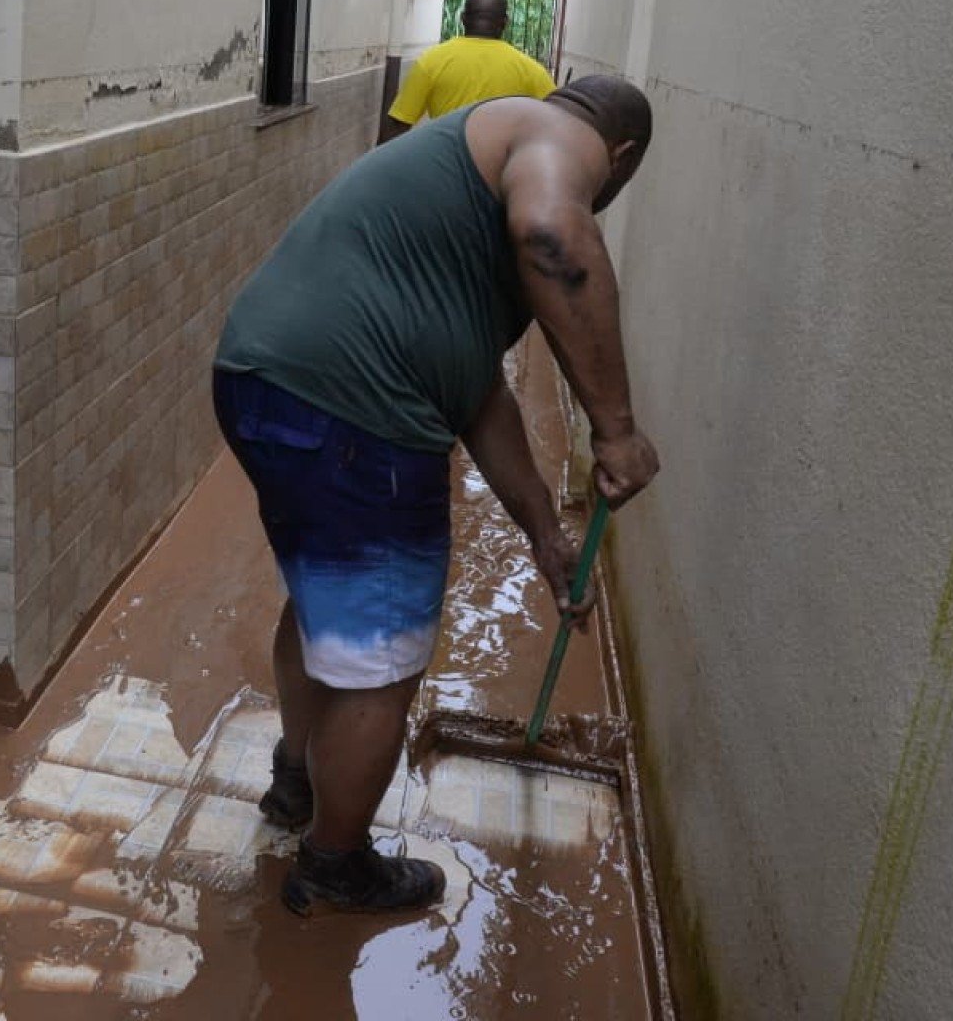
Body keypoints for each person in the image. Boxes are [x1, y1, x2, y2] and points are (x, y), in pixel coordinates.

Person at [210, 75, 661, 915]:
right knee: (382, 661)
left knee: (324, 603)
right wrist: (616, 428)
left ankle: (296, 778)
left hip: (264, 378)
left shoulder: (468, 176)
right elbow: (554, 234)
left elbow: (477, 394)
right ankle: (335, 862)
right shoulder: (556, 138)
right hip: (355, 407)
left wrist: (544, 536)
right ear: (621, 155)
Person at [378, 0, 556, 141]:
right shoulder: (531, 70)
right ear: (505, 23)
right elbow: (558, 120)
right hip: (498, 166)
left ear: (463, 18)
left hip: (446, 160)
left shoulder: (431, 61)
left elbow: (397, 126)